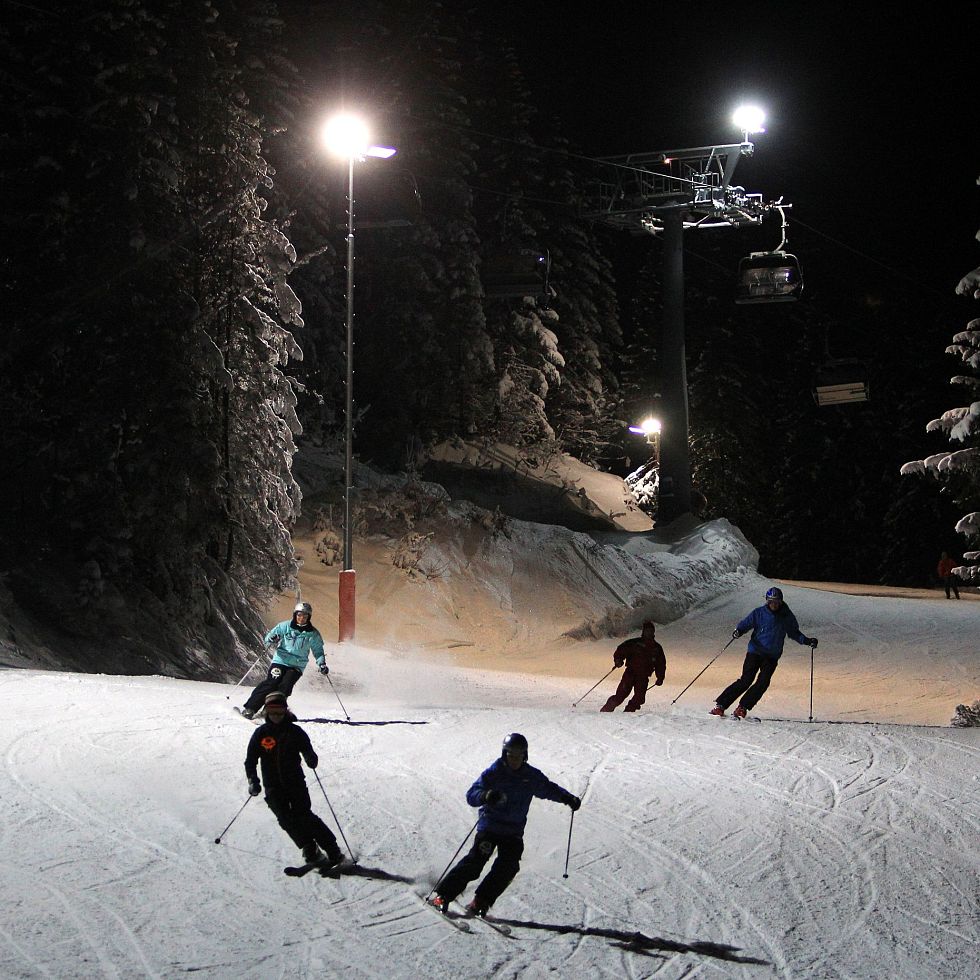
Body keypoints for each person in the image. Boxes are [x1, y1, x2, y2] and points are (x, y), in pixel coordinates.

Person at [429, 733, 581, 917]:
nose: (514, 760)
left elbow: (548, 788)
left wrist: (567, 798)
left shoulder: (530, 776)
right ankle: (443, 895)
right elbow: (472, 794)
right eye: (510, 755)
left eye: (518, 756)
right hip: (490, 827)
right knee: (476, 862)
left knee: (508, 867)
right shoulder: (494, 773)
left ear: (525, 756)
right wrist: (486, 796)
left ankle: (481, 901)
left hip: (513, 831)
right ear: (504, 754)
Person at [244, 691, 343, 869]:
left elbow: (307, 750)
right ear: (266, 711)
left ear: (286, 711)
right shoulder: (261, 734)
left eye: (280, 712)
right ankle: (309, 846)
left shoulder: (295, 732)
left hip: (295, 783)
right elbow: (251, 760)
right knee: (284, 818)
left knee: (303, 816)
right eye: (272, 712)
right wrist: (253, 780)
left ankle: (332, 848)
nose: (276, 716)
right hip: (272, 786)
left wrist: (310, 758)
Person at [709, 586, 818, 719]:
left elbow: (794, 633)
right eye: (771, 601)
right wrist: (739, 630)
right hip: (755, 651)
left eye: (776, 602)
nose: (773, 605)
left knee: (763, 682)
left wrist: (807, 641)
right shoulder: (759, 613)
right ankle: (720, 705)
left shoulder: (786, 616)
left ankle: (742, 707)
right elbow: (746, 623)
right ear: (767, 601)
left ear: (781, 602)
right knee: (746, 680)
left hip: (771, 656)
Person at [240, 601, 328, 719]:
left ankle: (269, 710)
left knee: (285, 687)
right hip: (280, 661)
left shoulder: (312, 634)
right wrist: (273, 638)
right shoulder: (285, 626)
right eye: (299, 615)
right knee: (272, 683)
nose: (301, 618)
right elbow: (268, 638)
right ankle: (250, 708)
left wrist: (321, 663)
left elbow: (318, 651)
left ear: (309, 617)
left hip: (297, 665)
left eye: (305, 616)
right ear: (295, 615)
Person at [600, 620, 666, 712]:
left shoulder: (657, 648)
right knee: (620, 696)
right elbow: (620, 650)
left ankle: (628, 713)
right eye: (647, 631)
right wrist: (618, 660)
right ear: (643, 631)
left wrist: (660, 677)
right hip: (630, 673)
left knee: (639, 698)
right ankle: (605, 711)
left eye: (650, 631)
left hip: (643, 676)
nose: (648, 633)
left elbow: (661, 664)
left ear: (653, 632)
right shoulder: (634, 643)